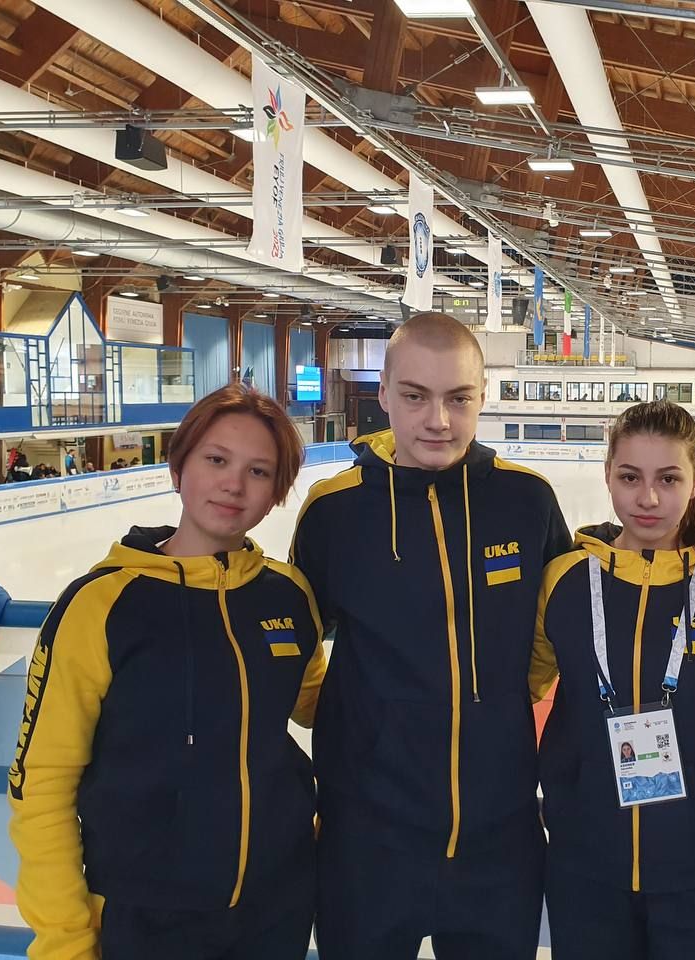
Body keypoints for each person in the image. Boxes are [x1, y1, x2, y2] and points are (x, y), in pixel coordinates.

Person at [8, 383, 327, 960]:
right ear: (179, 467)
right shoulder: (101, 605)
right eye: (216, 460)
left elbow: (322, 708)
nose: (234, 484)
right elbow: (43, 783)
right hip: (144, 916)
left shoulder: (287, 594)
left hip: (276, 907)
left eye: (258, 471)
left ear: (276, 493)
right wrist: (65, 941)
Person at [291, 312, 572, 960]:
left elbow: (555, 625)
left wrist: (511, 696)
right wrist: (337, 713)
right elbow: (295, 635)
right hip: (366, 844)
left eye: (458, 398)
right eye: (416, 396)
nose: (438, 420)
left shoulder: (526, 501)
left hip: (497, 841)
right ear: (384, 393)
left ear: (483, 396)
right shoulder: (335, 512)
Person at [530, 400, 695, 960]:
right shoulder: (564, 581)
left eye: (668, 479)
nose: (648, 498)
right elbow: (520, 688)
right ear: (607, 474)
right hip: (586, 866)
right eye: (630, 477)